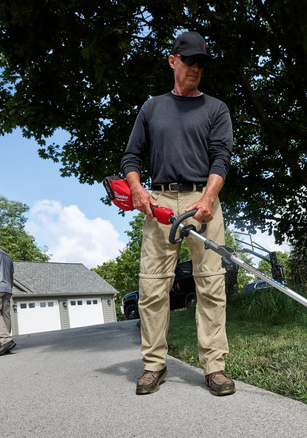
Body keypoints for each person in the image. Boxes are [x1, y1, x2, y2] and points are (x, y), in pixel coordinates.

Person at [120, 31, 235, 396]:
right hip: (160, 202)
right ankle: (154, 366)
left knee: (211, 284)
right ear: (173, 60)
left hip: (204, 198)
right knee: (152, 287)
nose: (196, 68)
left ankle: (214, 367)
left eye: (201, 63)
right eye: (190, 61)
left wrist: (208, 198)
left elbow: (221, 157)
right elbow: (130, 157)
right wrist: (137, 188)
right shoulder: (152, 107)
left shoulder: (216, 108)